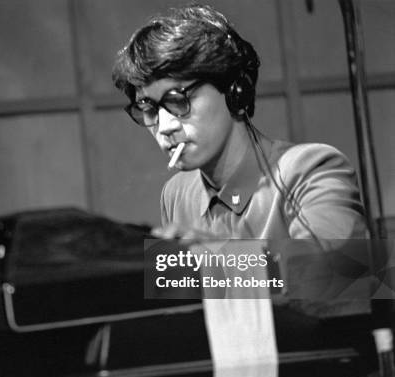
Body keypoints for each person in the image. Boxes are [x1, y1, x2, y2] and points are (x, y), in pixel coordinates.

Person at [112, 4, 367, 242]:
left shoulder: (311, 170)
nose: (165, 126)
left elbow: (336, 272)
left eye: (178, 100)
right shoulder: (176, 194)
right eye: (148, 109)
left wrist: (218, 261)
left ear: (235, 92)